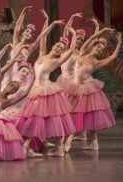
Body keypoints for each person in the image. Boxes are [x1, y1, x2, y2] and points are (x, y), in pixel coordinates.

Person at [17, 18, 77, 157]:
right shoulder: (42, 53)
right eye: (57, 46)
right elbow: (43, 36)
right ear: (53, 46)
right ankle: (27, 147)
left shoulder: (57, 60)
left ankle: (59, 148)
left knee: (54, 119)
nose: (59, 49)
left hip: (46, 90)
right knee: (33, 118)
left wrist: (73, 34)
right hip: (35, 89)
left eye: (61, 49)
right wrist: (53, 24)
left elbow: (72, 50)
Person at [64, 28, 121, 152]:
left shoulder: (96, 62)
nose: (99, 50)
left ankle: (74, 140)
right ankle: (93, 143)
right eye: (98, 47)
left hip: (86, 90)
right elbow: (90, 38)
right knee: (72, 113)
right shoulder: (83, 52)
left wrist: (119, 42)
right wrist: (104, 30)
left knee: (86, 115)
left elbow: (113, 57)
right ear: (93, 46)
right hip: (74, 87)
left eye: (101, 50)